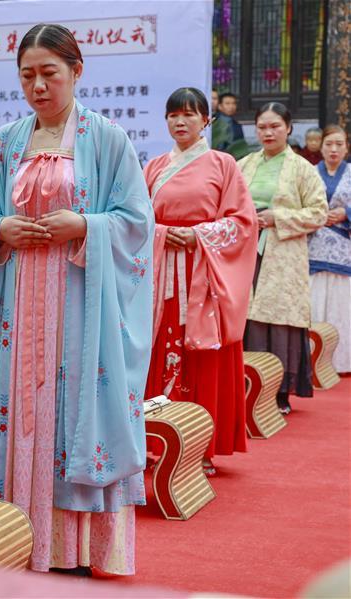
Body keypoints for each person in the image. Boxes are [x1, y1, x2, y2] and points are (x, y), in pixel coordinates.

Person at [0, 24, 154, 576]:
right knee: (18, 411)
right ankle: (14, 536)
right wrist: (0, 230)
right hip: (16, 312)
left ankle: (71, 549)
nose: (38, 86)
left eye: (50, 73)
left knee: (75, 405)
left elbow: (137, 223)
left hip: (79, 307)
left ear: (77, 70)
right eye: (28, 75)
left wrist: (85, 226)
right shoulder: (4, 141)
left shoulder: (108, 139)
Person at [144, 88, 257, 476]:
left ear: (206, 120)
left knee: (200, 353)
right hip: (159, 277)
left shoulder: (223, 164)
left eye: (189, 114)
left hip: (202, 274)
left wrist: (200, 235)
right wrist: (158, 231)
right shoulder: (154, 166)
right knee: (156, 349)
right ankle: (151, 438)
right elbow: (134, 220)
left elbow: (243, 223)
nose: (180, 122)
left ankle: (199, 443)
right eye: (173, 114)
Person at [239, 103, 328, 414]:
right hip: (246, 250)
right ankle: (246, 386)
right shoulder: (245, 164)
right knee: (247, 317)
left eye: (275, 126)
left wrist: (278, 217)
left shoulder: (303, 168)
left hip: (283, 253)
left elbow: (319, 213)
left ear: (289, 128)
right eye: (262, 127)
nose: (268, 132)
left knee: (278, 321)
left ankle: (279, 391)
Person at [308, 125, 351, 374]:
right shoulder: (310, 173)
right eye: (329, 144)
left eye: (339, 144)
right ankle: (313, 363)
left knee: (341, 305)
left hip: (344, 251)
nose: (334, 149)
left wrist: (345, 213)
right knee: (315, 304)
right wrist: (316, 215)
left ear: (346, 147)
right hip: (313, 248)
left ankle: (342, 362)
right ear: (321, 147)